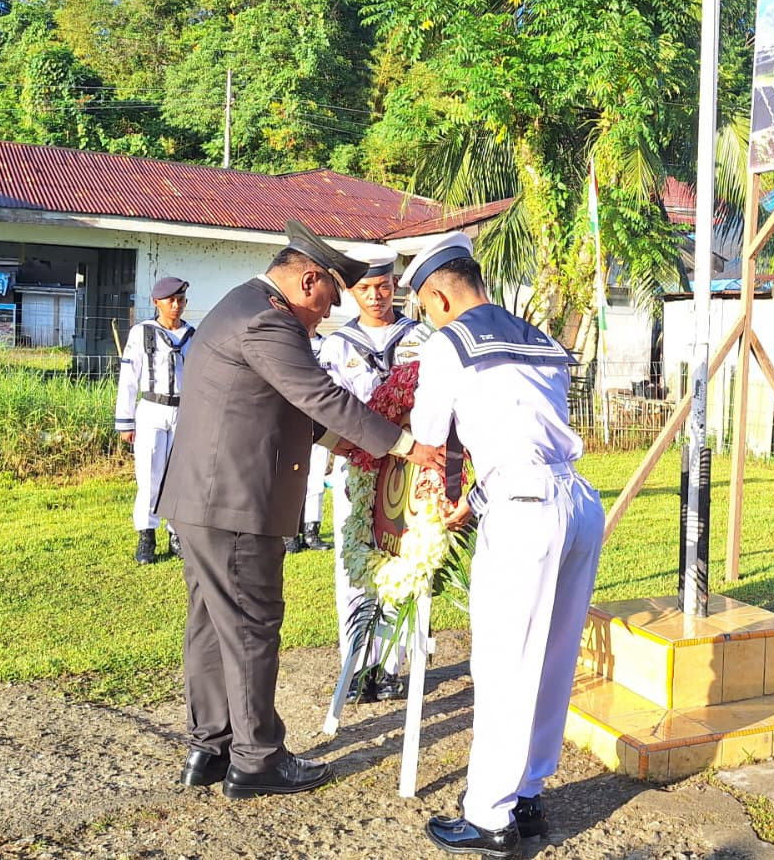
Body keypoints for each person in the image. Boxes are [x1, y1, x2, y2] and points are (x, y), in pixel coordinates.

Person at [155, 220, 445, 800]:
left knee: (213, 626)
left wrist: (355, 449)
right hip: (236, 505)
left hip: (205, 501)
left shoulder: (241, 306)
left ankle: (209, 746)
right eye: (326, 303)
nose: (323, 318)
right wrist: (407, 446)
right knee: (251, 626)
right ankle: (256, 759)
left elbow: (294, 412)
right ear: (308, 279)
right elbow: (319, 394)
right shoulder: (267, 318)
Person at [400, 233, 605, 858]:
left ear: (438, 295)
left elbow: (431, 438)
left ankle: (490, 816)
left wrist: (438, 493)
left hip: (522, 511)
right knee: (552, 657)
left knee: (503, 661)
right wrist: (476, 499)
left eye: (426, 308)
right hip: (576, 501)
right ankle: (529, 796)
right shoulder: (538, 338)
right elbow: (529, 432)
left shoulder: (448, 346)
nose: (429, 318)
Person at [317, 241, 433, 704]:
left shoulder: (421, 338)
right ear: (352, 293)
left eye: (384, 287)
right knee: (356, 565)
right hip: (358, 469)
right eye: (366, 288)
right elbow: (328, 409)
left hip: (409, 472)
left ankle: (390, 667)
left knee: (405, 560)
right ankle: (357, 663)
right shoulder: (336, 345)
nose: (377, 296)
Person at [114, 276, 194, 564]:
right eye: (170, 300)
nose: (176, 305)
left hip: (183, 411)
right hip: (152, 409)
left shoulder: (191, 335)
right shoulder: (142, 333)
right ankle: (147, 534)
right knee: (149, 476)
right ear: (156, 302)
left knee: (179, 477)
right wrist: (125, 421)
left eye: (181, 299)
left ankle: (176, 533)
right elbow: (129, 378)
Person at [284, 331, 336, 554]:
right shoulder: (287, 341)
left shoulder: (328, 346)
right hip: (292, 420)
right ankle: (288, 532)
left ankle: (311, 529)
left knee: (316, 478)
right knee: (289, 479)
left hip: (320, 419)